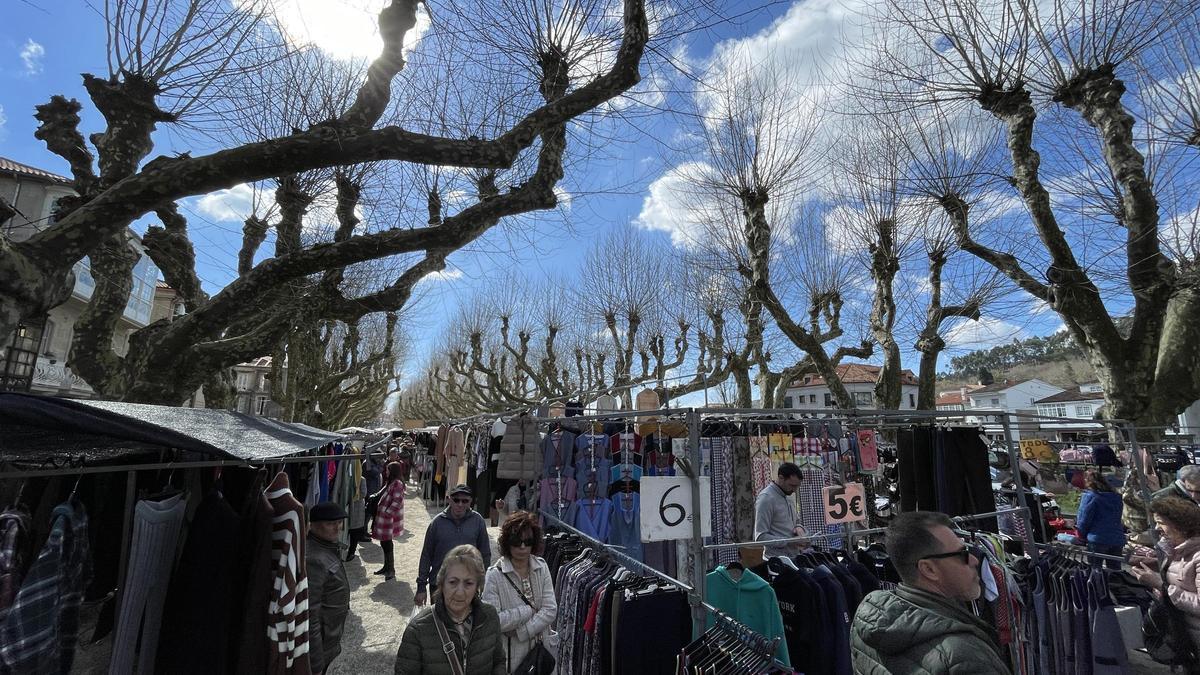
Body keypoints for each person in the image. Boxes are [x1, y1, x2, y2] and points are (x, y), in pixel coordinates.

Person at [851, 511, 1011, 674]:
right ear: (929, 569)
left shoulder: (866, 622)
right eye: (962, 554)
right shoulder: (967, 656)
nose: (974, 560)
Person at [395, 545, 507, 675]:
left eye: (468, 583)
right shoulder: (418, 630)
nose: (460, 592)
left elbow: (499, 661)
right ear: (442, 583)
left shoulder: (489, 616)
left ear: (478, 586)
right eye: (453, 582)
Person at [481, 511, 558, 673]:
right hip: (511, 658)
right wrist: (527, 611)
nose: (522, 546)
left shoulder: (541, 567)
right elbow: (493, 620)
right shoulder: (495, 575)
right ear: (507, 542)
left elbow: (550, 609)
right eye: (517, 541)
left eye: (527, 541)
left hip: (540, 653)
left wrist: (522, 631)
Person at [1132, 497, 1200, 655]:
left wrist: (1159, 585)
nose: (1157, 528)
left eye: (1161, 523)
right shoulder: (1177, 548)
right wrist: (1153, 563)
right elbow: (1182, 573)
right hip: (1183, 635)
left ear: (1179, 524)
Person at [416, 484, 492, 607]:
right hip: (439, 584)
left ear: (470, 501)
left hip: (467, 584)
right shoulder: (437, 523)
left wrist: (484, 583)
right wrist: (421, 587)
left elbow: (485, 554)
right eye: (456, 500)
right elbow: (426, 555)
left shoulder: (478, 522)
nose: (460, 504)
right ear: (449, 499)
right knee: (440, 623)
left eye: (464, 501)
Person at [307, 502, 351, 675]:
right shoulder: (314, 559)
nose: (337, 528)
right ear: (314, 525)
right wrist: (316, 661)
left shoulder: (327, 547)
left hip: (330, 638)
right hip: (322, 644)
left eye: (339, 522)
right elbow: (311, 615)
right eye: (330, 523)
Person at [1075, 470, 1126, 569]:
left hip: (1097, 538)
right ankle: (1115, 584)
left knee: (1094, 570)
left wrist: (1081, 534)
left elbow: (1084, 518)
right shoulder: (1116, 497)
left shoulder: (1090, 496)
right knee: (1115, 571)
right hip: (1116, 538)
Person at [753, 462, 807, 557]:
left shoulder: (787, 495)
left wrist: (799, 528)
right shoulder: (766, 498)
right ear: (781, 478)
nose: (794, 490)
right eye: (792, 485)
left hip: (794, 556)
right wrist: (788, 541)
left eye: (796, 486)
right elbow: (760, 537)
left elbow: (796, 521)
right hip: (776, 560)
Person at [373, 461, 406, 580]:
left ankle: (390, 569)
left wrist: (387, 513)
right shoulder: (391, 482)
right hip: (384, 518)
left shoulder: (397, 483)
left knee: (387, 543)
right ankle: (386, 566)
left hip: (388, 519)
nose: (386, 472)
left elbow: (397, 501)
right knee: (384, 542)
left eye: (387, 470)